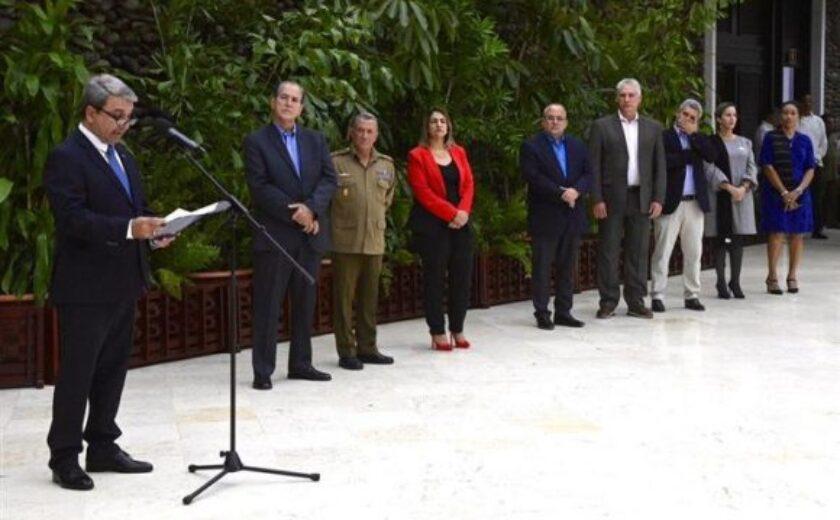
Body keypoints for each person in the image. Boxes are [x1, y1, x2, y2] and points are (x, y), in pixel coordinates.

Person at [44, 74, 174, 490]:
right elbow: (72, 219)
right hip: (84, 287)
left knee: (112, 370)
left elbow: (136, 211)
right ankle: (65, 456)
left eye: (128, 118)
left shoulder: (124, 158)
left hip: (123, 282)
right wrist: (129, 229)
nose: (123, 125)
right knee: (78, 374)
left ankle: (102, 445)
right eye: (116, 116)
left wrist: (154, 232)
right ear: (90, 112)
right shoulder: (67, 156)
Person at [245, 80, 337, 388]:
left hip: (309, 236)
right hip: (275, 236)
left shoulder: (315, 140)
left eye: (294, 99)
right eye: (283, 97)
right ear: (273, 102)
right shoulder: (256, 141)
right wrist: (296, 213)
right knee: (268, 305)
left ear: (301, 107)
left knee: (304, 302)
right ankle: (263, 371)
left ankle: (301, 364)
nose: (288, 103)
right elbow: (259, 187)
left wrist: (311, 209)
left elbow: (328, 179)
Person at [589, 78, 666, 319]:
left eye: (631, 95)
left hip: (641, 197)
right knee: (609, 251)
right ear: (616, 98)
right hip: (611, 198)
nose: (627, 99)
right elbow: (594, 166)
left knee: (638, 252)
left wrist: (658, 198)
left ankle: (636, 301)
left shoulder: (653, 128)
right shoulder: (602, 126)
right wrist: (597, 198)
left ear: (640, 99)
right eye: (622, 95)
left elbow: (659, 167)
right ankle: (608, 301)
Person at [330, 112, 396, 370]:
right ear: (351, 132)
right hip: (345, 240)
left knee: (370, 299)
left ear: (376, 135)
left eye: (370, 131)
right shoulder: (336, 162)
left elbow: (386, 200)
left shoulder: (386, 165)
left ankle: (368, 348)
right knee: (344, 300)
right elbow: (327, 200)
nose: (364, 135)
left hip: (374, 240)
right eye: (360, 130)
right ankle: (347, 351)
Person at [407, 108, 475, 350]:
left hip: (461, 224)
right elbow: (423, 192)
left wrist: (463, 212)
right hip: (433, 226)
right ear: (427, 127)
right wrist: (451, 213)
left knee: (462, 278)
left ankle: (458, 328)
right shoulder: (417, 156)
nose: (438, 125)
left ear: (448, 126)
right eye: (434, 121)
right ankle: (437, 331)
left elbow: (469, 184)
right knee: (434, 279)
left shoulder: (459, 152)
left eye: (442, 121)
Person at [520, 103, 591, 330]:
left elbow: (589, 173)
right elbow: (533, 177)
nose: (555, 122)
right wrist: (561, 193)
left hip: (572, 214)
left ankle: (563, 311)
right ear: (543, 121)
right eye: (550, 118)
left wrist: (576, 191)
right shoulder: (531, 146)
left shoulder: (578, 145)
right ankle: (542, 312)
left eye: (559, 118)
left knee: (567, 267)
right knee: (542, 267)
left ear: (566, 122)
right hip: (545, 215)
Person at [650, 99, 718, 313]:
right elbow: (662, 162)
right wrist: (687, 156)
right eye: (685, 114)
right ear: (678, 113)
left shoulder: (699, 138)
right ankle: (657, 295)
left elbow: (712, 155)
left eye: (692, 118)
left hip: (695, 203)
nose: (687, 119)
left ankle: (692, 295)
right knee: (662, 251)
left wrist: (694, 135)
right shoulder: (664, 136)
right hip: (671, 202)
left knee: (694, 251)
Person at [759, 101, 817, 294]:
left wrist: (798, 191)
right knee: (776, 233)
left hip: (800, 195)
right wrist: (784, 192)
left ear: (798, 117)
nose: (789, 116)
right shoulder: (771, 137)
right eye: (785, 113)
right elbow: (767, 165)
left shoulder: (805, 140)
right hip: (776, 194)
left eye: (793, 113)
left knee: (797, 234)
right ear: (780, 116)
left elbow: (810, 168)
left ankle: (792, 276)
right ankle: (772, 277)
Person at [705, 102, 759, 299]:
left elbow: (752, 166)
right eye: (727, 115)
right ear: (719, 119)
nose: (732, 119)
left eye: (734, 115)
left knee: (737, 240)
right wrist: (728, 187)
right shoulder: (711, 142)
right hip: (721, 196)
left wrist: (743, 187)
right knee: (720, 240)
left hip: (741, 198)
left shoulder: (745, 142)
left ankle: (735, 281)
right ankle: (720, 281)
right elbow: (708, 167)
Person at [798, 95, 829, 239]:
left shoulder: (818, 121)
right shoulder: (797, 120)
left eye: (810, 101)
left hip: (816, 163)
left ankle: (817, 228)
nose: (808, 104)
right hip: (799, 164)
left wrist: (817, 157)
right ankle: (797, 228)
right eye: (805, 102)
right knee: (798, 195)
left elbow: (823, 142)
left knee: (817, 197)